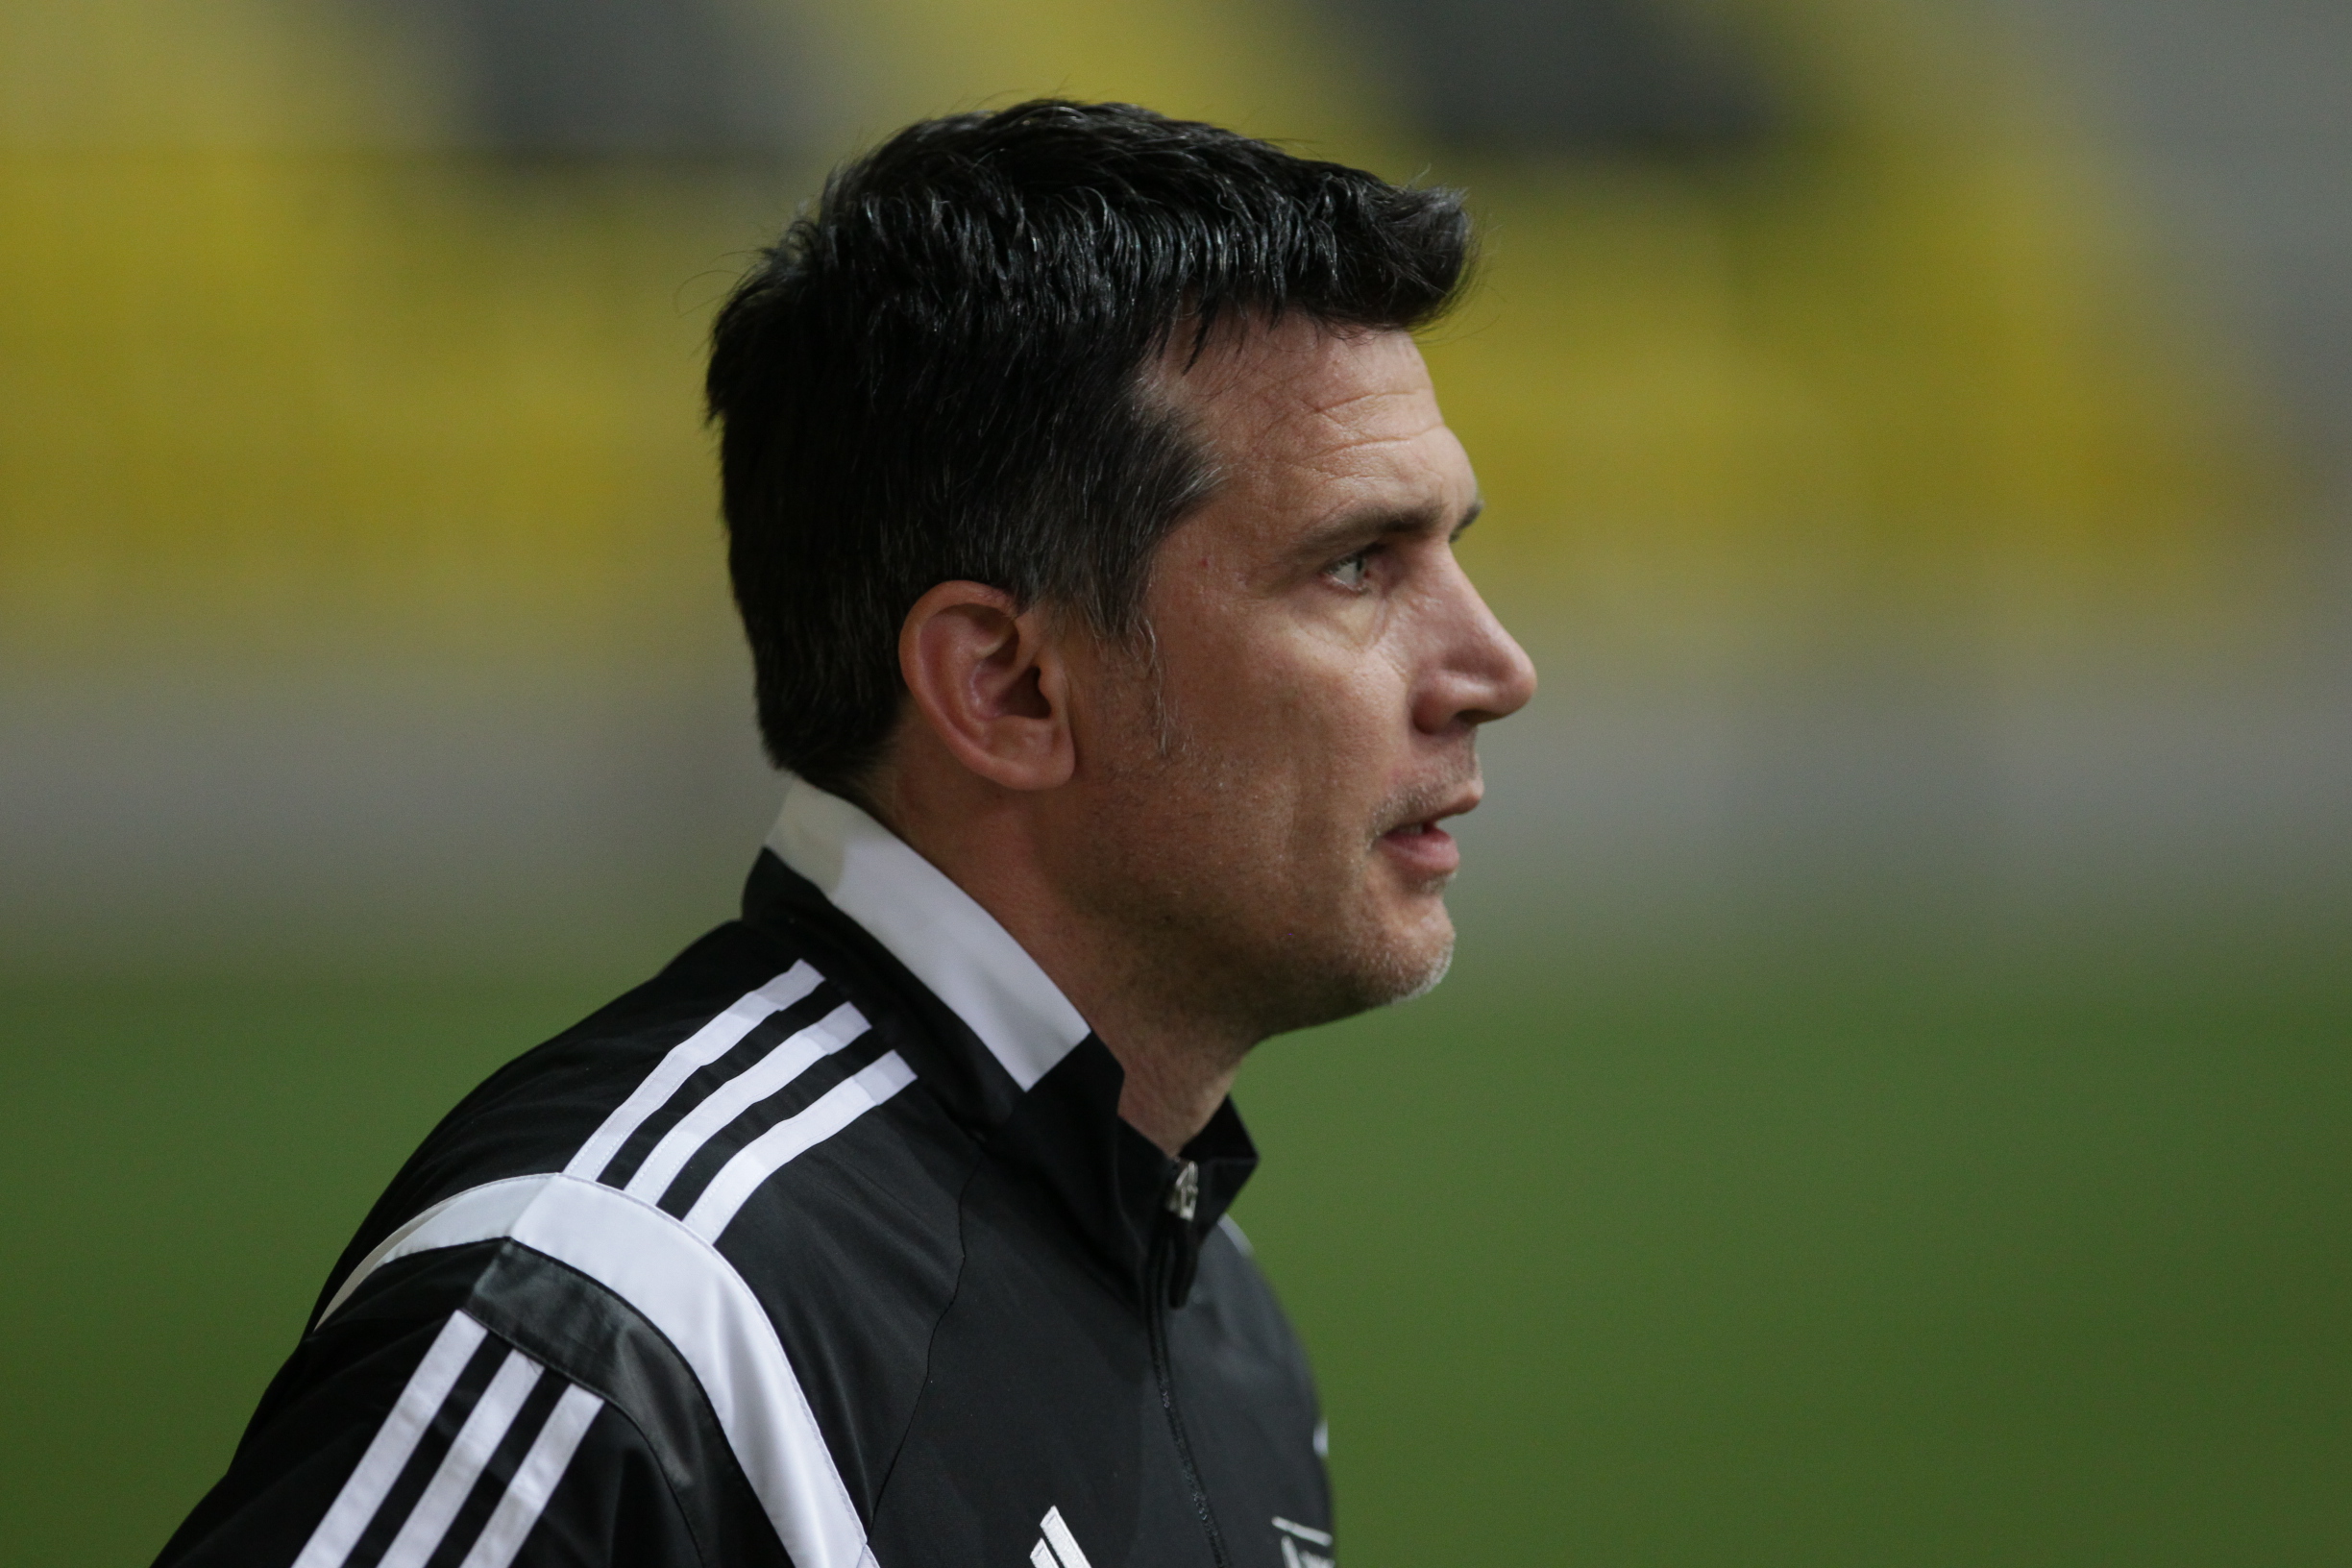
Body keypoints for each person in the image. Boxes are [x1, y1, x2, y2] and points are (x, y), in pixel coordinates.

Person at [154, 99, 1535, 1568]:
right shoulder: (622, 1322)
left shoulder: (1215, 1307)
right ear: (1006, 687)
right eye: (1355, 566)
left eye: (1451, 548)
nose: (1497, 668)